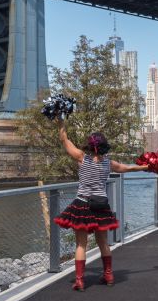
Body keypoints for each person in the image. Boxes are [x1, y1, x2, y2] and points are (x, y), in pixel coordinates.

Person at [53, 122, 149, 290]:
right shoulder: (108, 163)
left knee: (81, 245)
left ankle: (80, 280)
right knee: (103, 243)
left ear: (89, 146)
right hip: (101, 205)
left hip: (82, 203)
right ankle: (109, 275)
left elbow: (64, 139)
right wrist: (146, 166)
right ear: (104, 146)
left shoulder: (82, 158)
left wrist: (60, 121)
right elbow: (128, 168)